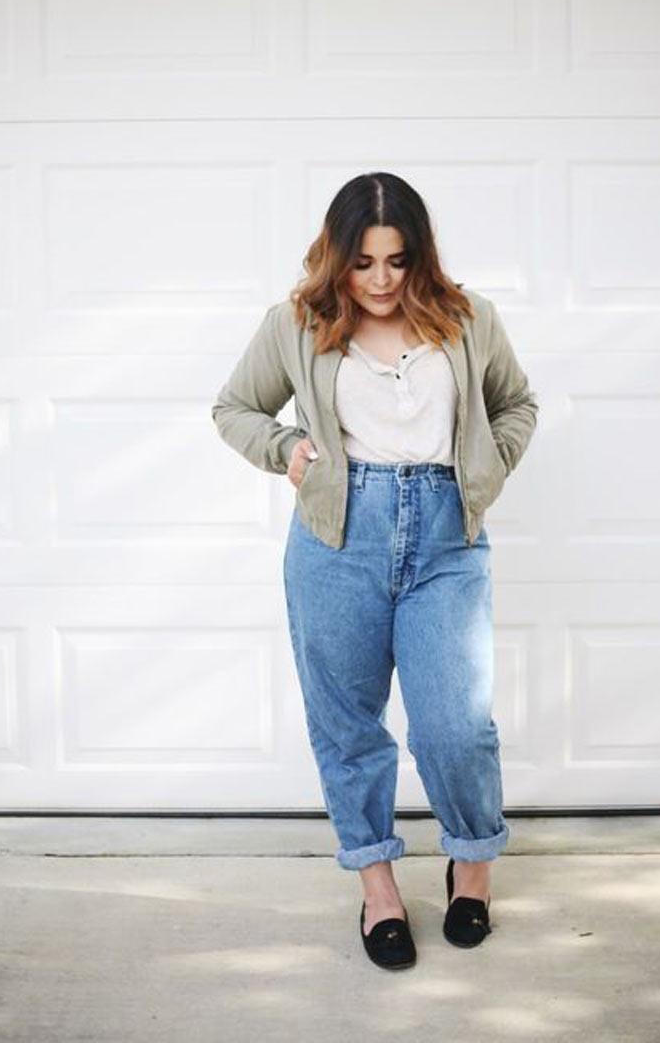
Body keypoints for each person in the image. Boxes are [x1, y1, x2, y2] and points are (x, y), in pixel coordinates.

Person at [211, 172, 538, 971]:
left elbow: (516, 405)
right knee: (349, 727)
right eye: (363, 263)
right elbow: (235, 408)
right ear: (337, 258)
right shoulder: (296, 323)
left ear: (420, 255)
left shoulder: (469, 319)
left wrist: (486, 469)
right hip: (337, 541)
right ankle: (379, 890)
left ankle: (472, 866)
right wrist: (285, 449)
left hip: (445, 542)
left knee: (454, 725)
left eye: (397, 260)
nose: (382, 280)